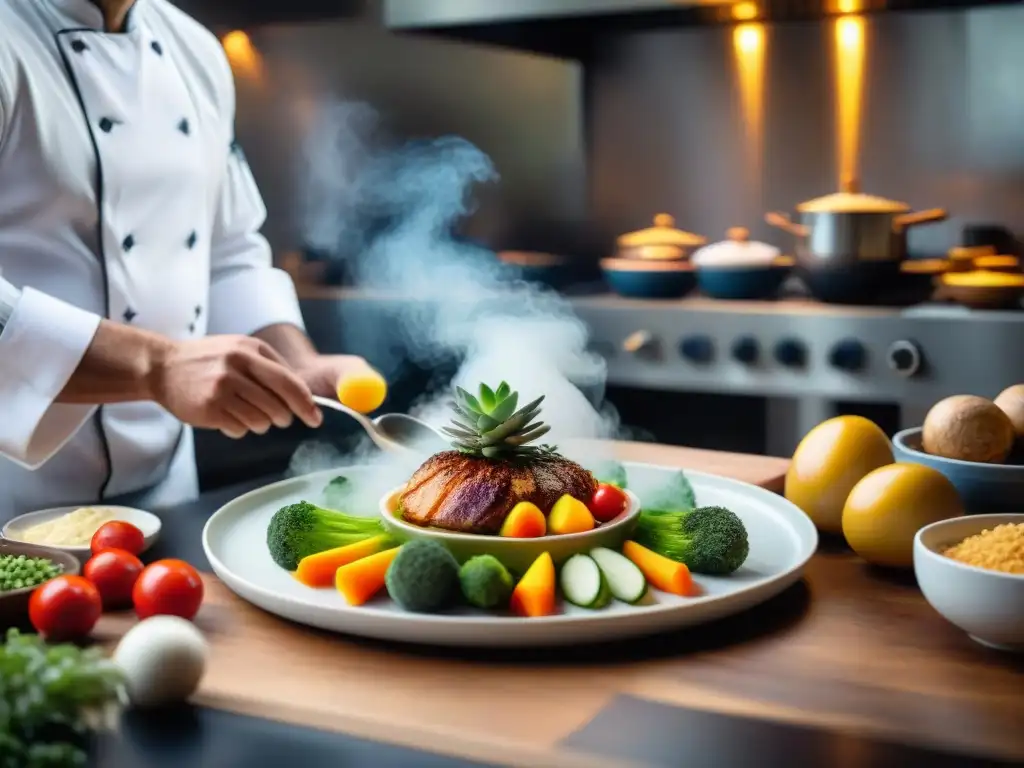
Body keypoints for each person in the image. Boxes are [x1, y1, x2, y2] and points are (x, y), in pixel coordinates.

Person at [0, 0, 369, 515]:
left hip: (167, 490)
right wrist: (159, 367)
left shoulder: (194, 49)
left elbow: (230, 250)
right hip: (16, 493)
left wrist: (297, 361)